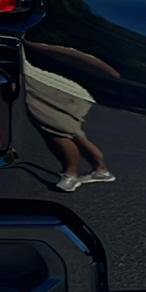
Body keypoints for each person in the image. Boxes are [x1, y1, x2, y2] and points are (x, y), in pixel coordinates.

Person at [22, 40, 119, 192]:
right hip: (74, 90)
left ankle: (70, 174)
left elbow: (107, 71)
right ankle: (101, 170)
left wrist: (28, 44)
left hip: (51, 85)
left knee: (56, 133)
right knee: (74, 132)